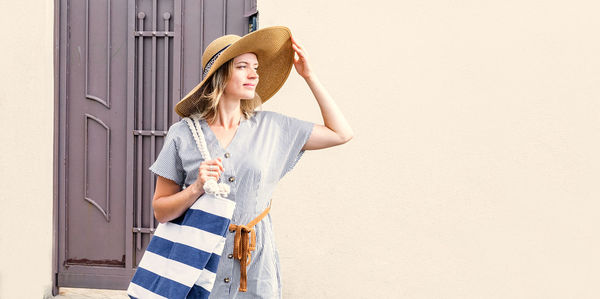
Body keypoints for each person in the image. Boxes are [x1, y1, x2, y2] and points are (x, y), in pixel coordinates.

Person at [149, 26, 352, 298]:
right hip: (199, 263)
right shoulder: (183, 135)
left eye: (255, 67)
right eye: (242, 66)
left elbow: (341, 133)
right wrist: (196, 187)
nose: (254, 74)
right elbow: (161, 211)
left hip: (255, 265)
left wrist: (309, 76)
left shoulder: (274, 127)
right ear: (220, 75)